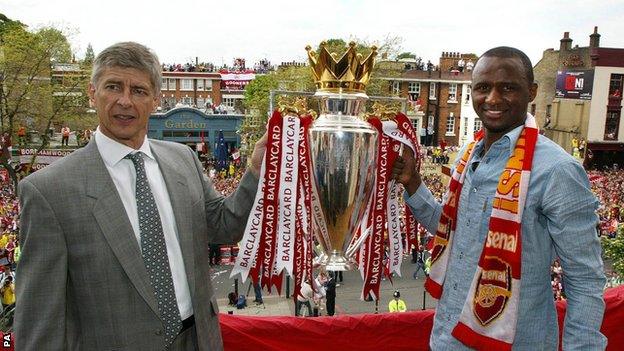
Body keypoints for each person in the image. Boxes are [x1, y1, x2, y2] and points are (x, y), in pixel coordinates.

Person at [15, 42, 267, 351]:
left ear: (155, 100)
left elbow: (225, 224)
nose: (125, 101)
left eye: (138, 91)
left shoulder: (183, 160)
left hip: (199, 339)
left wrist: (255, 170)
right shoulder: (48, 191)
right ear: (92, 93)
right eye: (113, 87)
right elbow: (40, 324)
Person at [392, 46, 606, 350]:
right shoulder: (468, 156)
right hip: (447, 337)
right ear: (472, 92)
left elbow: (585, 278)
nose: (493, 99)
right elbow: (452, 230)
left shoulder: (557, 170)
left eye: (508, 88)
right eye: (483, 88)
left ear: (531, 92)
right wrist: (414, 184)